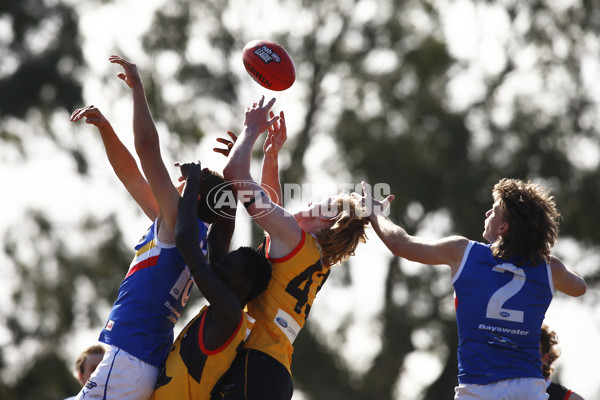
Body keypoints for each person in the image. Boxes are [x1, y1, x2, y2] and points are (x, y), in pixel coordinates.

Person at [69, 55, 234, 400]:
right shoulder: (186, 232)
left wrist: (138, 89)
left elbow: (146, 149)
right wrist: (105, 129)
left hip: (129, 359)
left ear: (193, 194)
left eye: (184, 181)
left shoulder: (176, 222)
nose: (174, 180)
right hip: (140, 363)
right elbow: (131, 175)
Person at [362, 178, 586, 400]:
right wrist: (546, 256)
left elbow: (400, 244)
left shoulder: (463, 252)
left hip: (478, 391)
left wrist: (376, 213)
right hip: (528, 391)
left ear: (503, 227)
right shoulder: (548, 267)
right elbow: (580, 287)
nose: (488, 212)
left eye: (494, 209)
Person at [211, 97, 370, 400]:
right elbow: (274, 214)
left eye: (317, 204)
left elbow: (234, 172)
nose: (309, 204)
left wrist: (250, 130)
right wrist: (271, 158)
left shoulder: (297, 240)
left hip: (255, 365)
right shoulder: (316, 258)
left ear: (327, 220)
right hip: (278, 375)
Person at [151, 161, 272, 400]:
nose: (217, 265)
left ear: (243, 285)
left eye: (226, 266)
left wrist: (193, 182)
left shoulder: (229, 313)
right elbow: (219, 240)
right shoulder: (225, 305)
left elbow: (186, 240)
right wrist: (230, 182)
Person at [540, 324, 585, 400]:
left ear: (546, 358)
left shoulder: (568, 398)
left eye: (532, 350)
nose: (524, 355)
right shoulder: (512, 392)